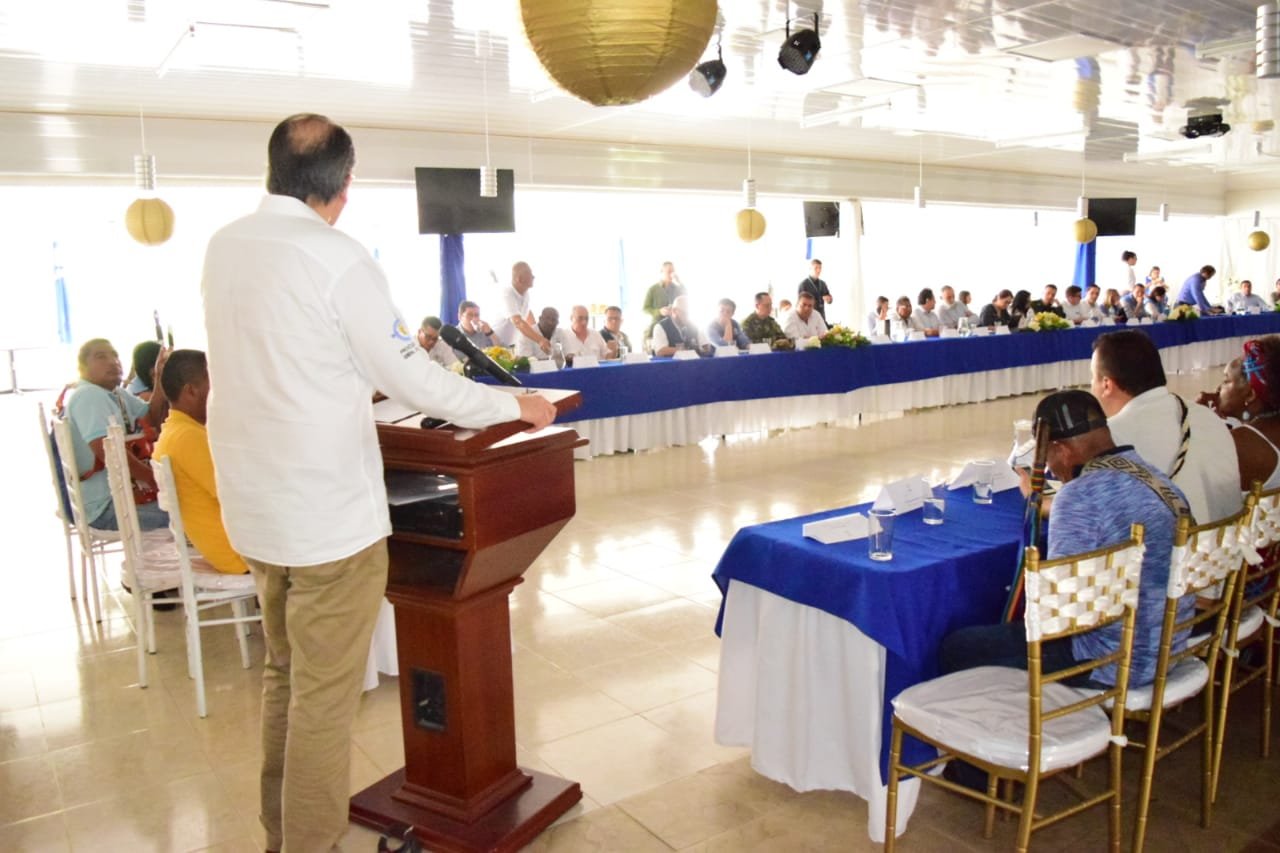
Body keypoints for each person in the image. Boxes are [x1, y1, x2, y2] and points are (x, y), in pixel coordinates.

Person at [200, 113, 556, 853]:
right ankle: (311, 844)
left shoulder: (224, 245)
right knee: (325, 700)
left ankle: (280, 833)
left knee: (286, 677)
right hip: (325, 516)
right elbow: (412, 375)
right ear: (345, 185)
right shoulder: (337, 258)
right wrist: (513, 405)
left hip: (257, 508)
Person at [940, 390, 1191, 694]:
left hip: (1110, 661)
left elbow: (1056, 610)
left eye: (1046, 457)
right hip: (1169, 647)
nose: (1047, 469)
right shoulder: (1159, 481)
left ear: (1061, 449)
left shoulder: (1078, 497)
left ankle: (1015, 732)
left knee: (957, 647)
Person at [1091, 330, 1241, 525]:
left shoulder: (1110, 437)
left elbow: (1097, 514)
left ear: (1106, 385)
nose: (1091, 386)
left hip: (1171, 552)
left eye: (1092, 377)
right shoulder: (1206, 416)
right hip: (1227, 548)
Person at [152, 350, 247, 575]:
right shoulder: (187, 438)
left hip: (227, 545)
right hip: (237, 553)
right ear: (191, 391)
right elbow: (235, 494)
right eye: (214, 383)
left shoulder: (176, 430)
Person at [64, 338, 170, 532]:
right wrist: (158, 481)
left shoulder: (115, 393)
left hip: (121, 495)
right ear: (82, 368)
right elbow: (111, 454)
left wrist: (160, 379)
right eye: (101, 356)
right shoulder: (89, 396)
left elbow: (151, 417)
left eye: (115, 355)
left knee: (187, 501)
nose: (113, 361)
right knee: (187, 510)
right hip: (107, 506)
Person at [1197, 337, 1280, 491]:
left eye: (1226, 380)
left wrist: (1195, 422)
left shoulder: (1239, 446)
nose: (1218, 389)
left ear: (1250, 395)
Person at [493, 261, 552, 355]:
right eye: (530, 274)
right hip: (494, 345)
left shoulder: (526, 294)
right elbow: (518, 322)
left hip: (510, 346)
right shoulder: (507, 293)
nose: (533, 277)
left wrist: (542, 336)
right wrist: (540, 340)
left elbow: (528, 316)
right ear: (519, 279)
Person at [642, 261, 685, 338]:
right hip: (657, 326)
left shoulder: (677, 288)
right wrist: (659, 311)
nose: (672, 274)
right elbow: (645, 309)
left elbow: (686, 298)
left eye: (673, 271)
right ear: (662, 272)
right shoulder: (653, 289)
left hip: (675, 326)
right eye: (669, 271)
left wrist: (680, 282)